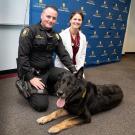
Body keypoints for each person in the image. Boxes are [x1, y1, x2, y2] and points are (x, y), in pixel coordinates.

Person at [16, 5, 77, 112]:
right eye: (48, 17)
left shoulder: (55, 36)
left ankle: (47, 87)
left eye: (54, 18)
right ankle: (24, 85)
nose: (51, 20)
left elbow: (63, 54)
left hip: (48, 70)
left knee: (68, 76)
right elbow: (22, 57)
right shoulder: (29, 31)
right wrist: (30, 77)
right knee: (41, 105)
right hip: (32, 73)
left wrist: (74, 70)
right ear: (42, 15)